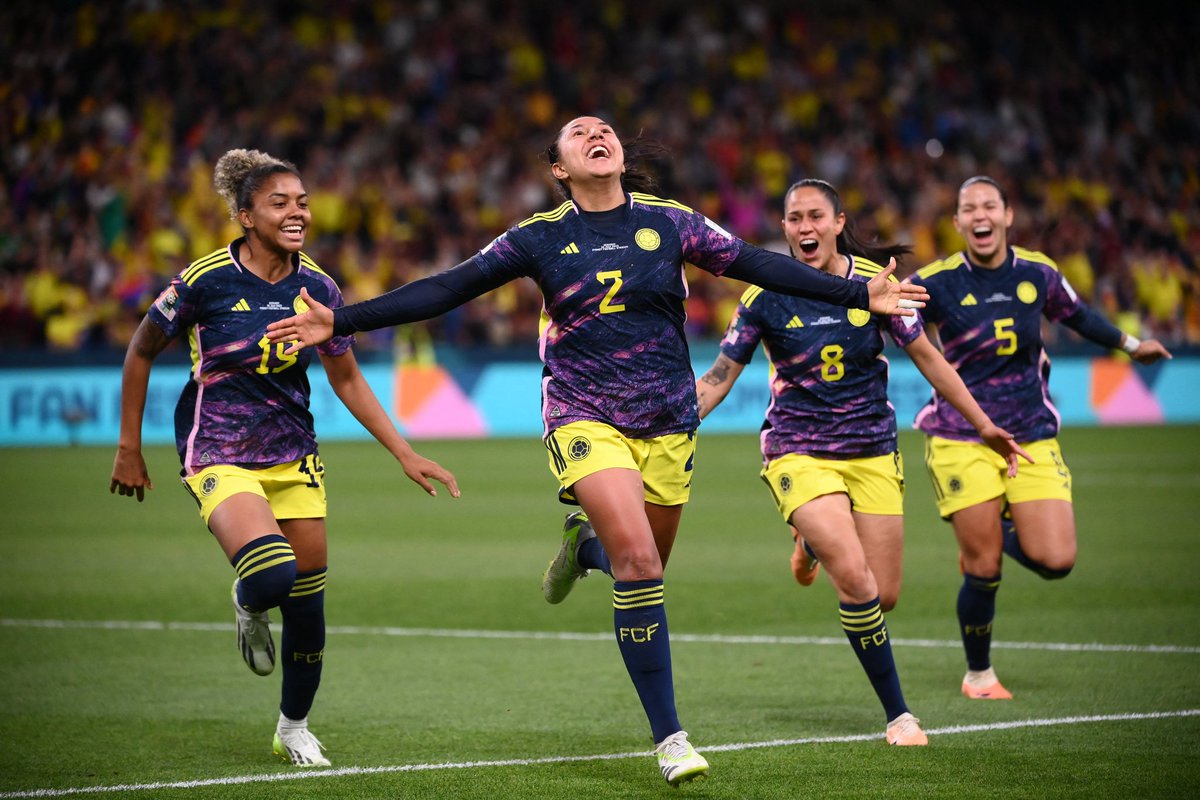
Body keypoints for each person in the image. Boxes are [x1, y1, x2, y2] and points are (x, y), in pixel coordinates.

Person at [265, 116, 929, 785]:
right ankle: (671, 738)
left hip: (667, 421)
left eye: (602, 129)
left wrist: (857, 292)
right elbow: (447, 286)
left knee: (638, 565)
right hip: (583, 413)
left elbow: (757, 264)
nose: (595, 135)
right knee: (639, 561)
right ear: (560, 168)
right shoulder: (541, 236)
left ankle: (583, 549)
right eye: (578, 134)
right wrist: (342, 320)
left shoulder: (672, 223)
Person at [109, 149, 460, 768]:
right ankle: (247, 604)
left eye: (301, 202)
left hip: (292, 450)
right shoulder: (204, 281)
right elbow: (141, 349)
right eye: (280, 203)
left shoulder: (317, 287)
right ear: (246, 215)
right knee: (273, 577)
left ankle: (292, 726)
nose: (297, 212)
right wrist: (128, 447)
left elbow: (347, 379)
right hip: (216, 445)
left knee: (308, 604)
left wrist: (404, 452)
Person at [693, 178, 1030, 746]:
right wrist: (671, 418)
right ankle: (900, 715)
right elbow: (721, 375)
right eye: (795, 218)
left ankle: (809, 543)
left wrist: (984, 423)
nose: (805, 227)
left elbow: (928, 357)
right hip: (798, 448)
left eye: (816, 216)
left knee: (883, 593)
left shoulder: (877, 288)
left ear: (838, 222)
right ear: (784, 228)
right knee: (853, 576)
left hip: (872, 450)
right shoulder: (764, 293)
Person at [908, 176, 1172, 700]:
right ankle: (979, 674)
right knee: (983, 567)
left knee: (1056, 560)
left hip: (1030, 432)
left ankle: (986, 528)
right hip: (962, 433)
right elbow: (886, 313)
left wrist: (1130, 344)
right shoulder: (936, 281)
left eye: (989, 206)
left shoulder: (1038, 273)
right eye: (968, 209)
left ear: (1007, 215)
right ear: (958, 223)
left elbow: (1077, 314)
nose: (979, 216)